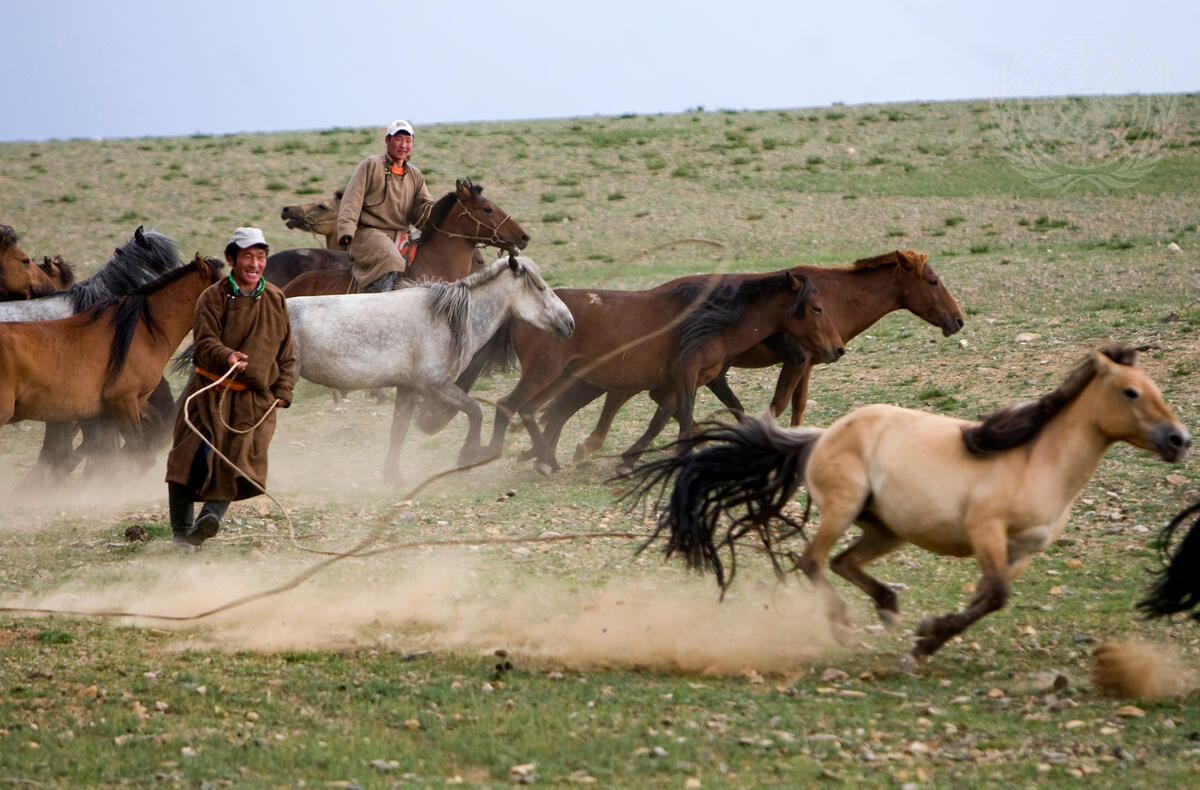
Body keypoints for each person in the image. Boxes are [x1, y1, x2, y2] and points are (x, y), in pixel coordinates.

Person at [164, 227, 296, 549]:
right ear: (231, 259)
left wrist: (284, 390)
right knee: (186, 459)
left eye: (260, 257)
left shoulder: (276, 298)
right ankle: (182, 533)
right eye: (247, 256)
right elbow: (204, 342)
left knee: (237, 461)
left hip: (255, 399)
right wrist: (227, 356)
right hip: (211, 392)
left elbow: (286, 351)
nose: (255, 263)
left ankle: (210, 518)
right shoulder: (212, 297)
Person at [337, 119, 435, 292]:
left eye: (408, 140)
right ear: (387, 140)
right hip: (367, 234)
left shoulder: (415, 175)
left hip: (401, 236)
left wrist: (441, 215)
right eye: (398, 139)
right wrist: (346, 230)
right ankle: (380, 303)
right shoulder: (371, 165)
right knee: (393, 260)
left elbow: (424, 207)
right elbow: (352, 200)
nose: (403, 145)